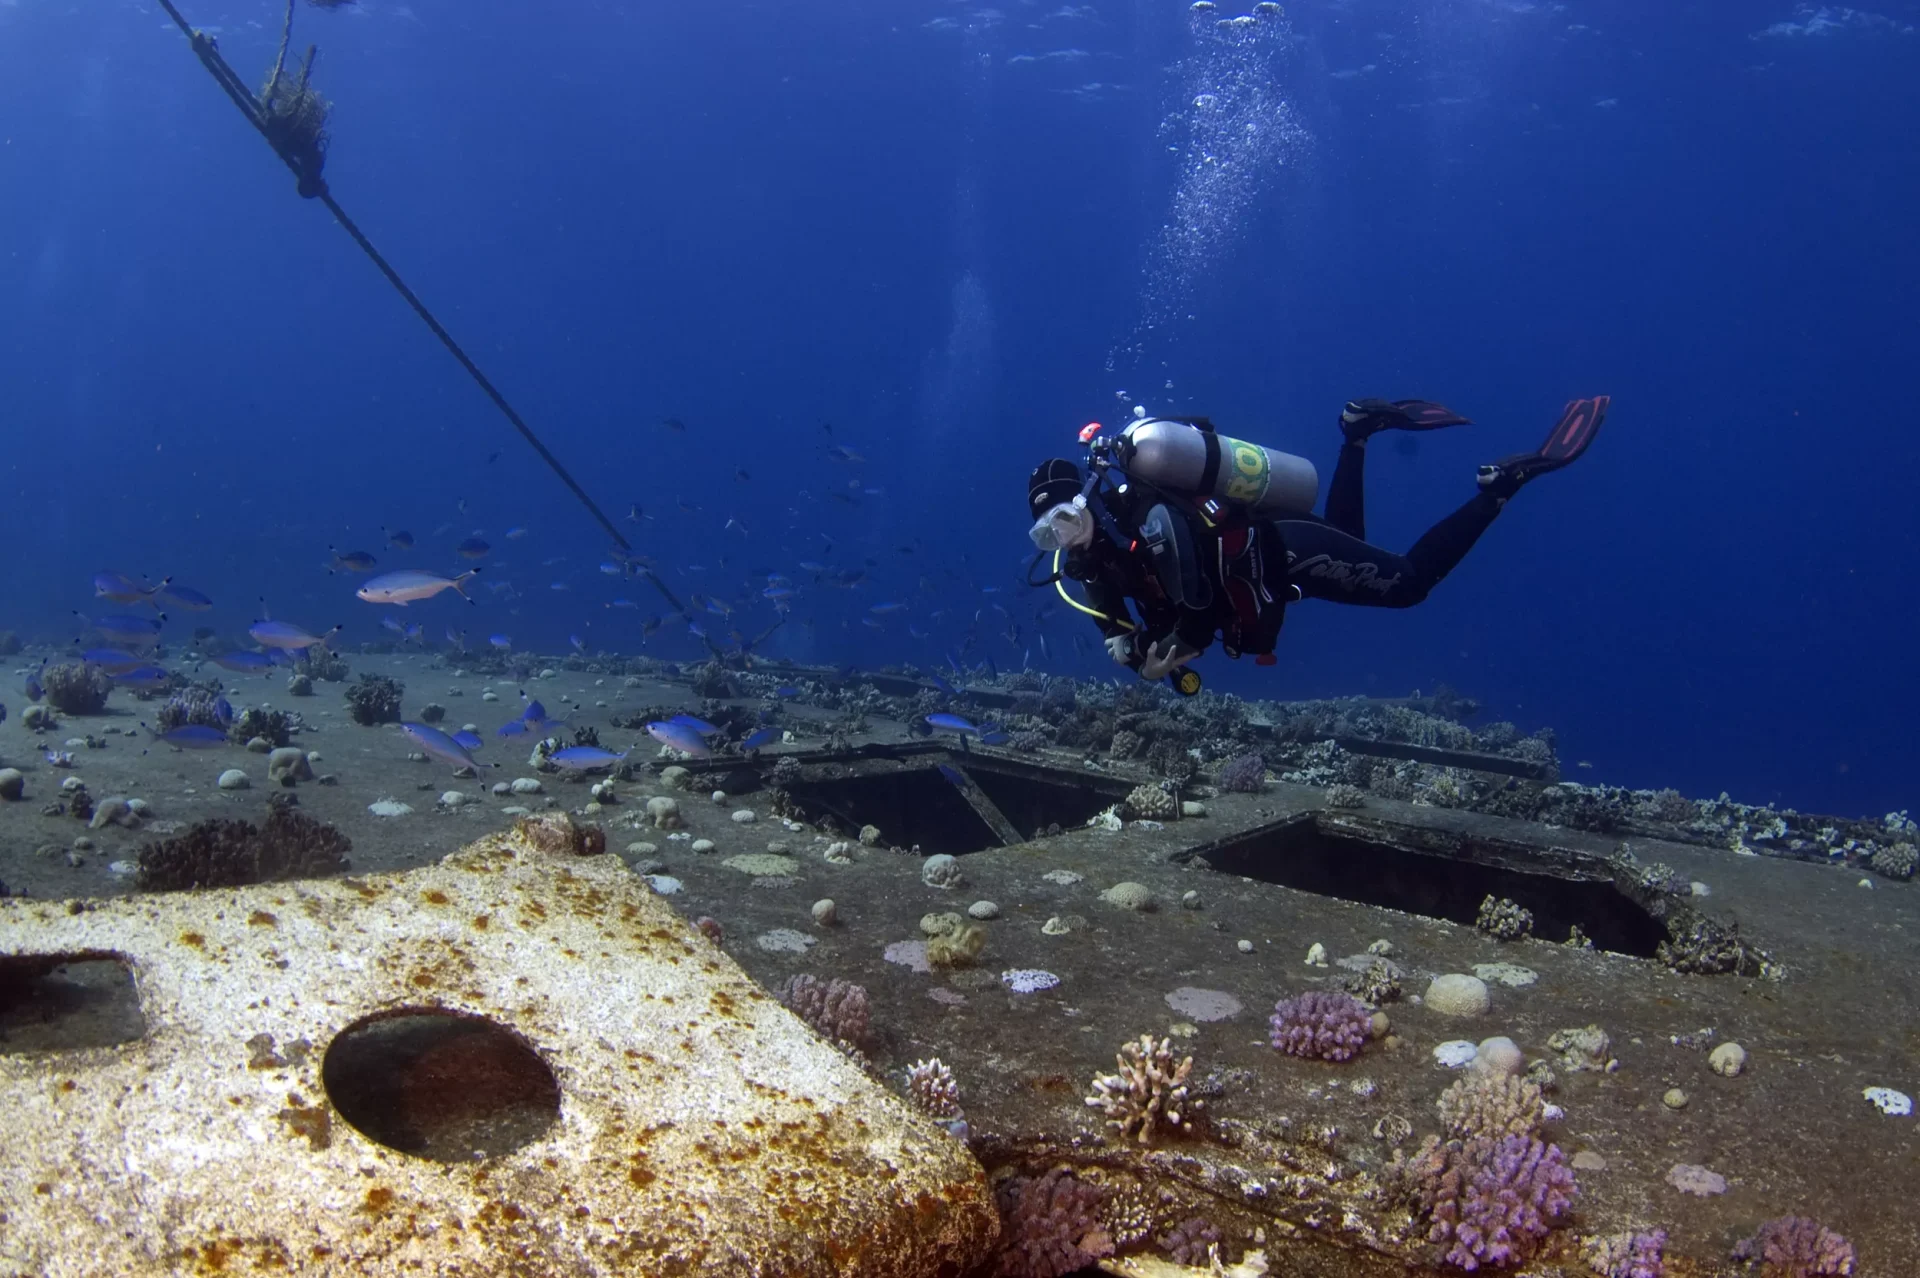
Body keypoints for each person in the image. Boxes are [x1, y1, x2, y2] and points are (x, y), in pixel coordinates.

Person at [1026, 396, 1608, 685]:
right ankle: (1356, 435)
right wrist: (1122, 648)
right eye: (1046, 531)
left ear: (1084, 502)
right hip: (1277, 567)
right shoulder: (1089, 560)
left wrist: (1158, 664)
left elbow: (1197, 614)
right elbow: (1116, 624)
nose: (1062, 537)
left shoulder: (1147, 518)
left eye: (1064, 519)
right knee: (1353, 540)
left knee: (1408, 584)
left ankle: (1499, 488)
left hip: (1285, 549)